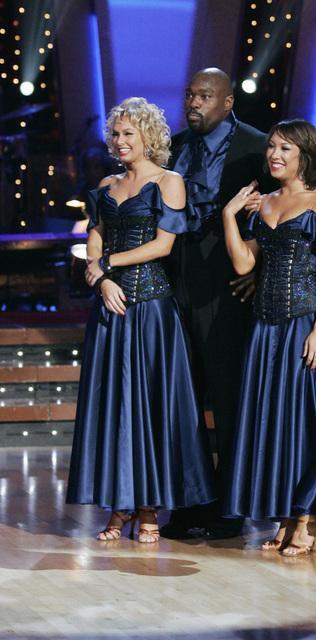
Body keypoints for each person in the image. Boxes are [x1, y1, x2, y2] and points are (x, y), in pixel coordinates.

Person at [66, 97, 216, 542]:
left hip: (150, 310)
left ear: (149, 136)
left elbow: (162, 246)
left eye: (129, 132)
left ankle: (149, 508)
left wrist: (108, 263)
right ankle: (119, 506)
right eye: (116, 133)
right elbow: (93, 240)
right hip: (111, 310)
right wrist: (101, 279)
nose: (120, 140)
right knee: (113, 408)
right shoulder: (107, 185)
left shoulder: (169, 182)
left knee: (148, 408)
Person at [222, 119, 316, 555]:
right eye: (272, 148)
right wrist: (229, 215)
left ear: (304, 155)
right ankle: (285, 513)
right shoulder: (266, 204)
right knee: (276, 424)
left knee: (306, 424)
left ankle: (309, 517)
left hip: (305, 324)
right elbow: (244, 265)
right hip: (266, 329)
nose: (274, 156)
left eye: (284, 149)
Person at [162, 67, 273, 540]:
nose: (194, 102)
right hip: (177, 283)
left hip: (230, 286)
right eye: (190, 94)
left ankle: (230, 504)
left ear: (227, 102)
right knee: (182, 398)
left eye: (205, 95)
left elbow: (288, 207)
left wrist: (262, 271)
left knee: (228, 398)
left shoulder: (257, 146)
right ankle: (189, 502)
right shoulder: (174, 146)